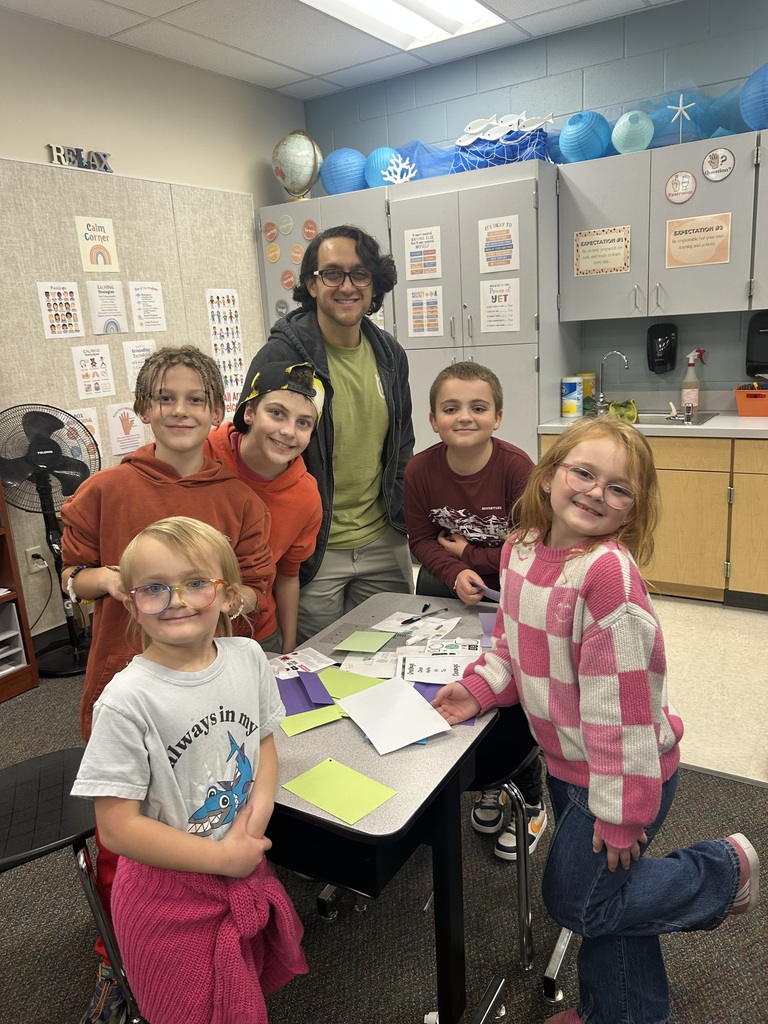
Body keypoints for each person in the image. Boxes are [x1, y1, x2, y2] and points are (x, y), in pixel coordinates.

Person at [432, 416, 759, 1024]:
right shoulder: (521, 547)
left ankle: (721, 871)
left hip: (622, 777)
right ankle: (627, 1014)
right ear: (551, 473)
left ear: (633, 512)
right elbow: (510, 644)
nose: (594, 492)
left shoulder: (607, 579)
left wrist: (620, 814)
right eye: (583, 472)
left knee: (579, 901)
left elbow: (624, 719)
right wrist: (478, 688)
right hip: (571, 768)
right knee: (614, 901)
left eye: (619, 488)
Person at [61, 344, 276, 1024]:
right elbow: (74, 576)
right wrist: (120, 584)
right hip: (127, 673)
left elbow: (255, 592)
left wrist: (218, 594)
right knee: (130, 814)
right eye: (165, 398)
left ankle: (210, 929)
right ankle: (119, 954)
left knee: (205, 800)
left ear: (217, 411)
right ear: (143, 410)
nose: (179, 411)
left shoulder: (238, 496)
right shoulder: (108, 487)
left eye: (194, 399)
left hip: (210, 682)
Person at [72, 517, 307, 1024]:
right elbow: (116, 827)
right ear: (133, 603)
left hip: (237, 857)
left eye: (196, 583)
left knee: (238, 991)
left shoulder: (247, 658)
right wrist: (223, 857)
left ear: (227, 596)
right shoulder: (127, 700)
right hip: (165, 896)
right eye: (155, 588)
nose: (176, 600)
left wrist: (255, 818)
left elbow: (263, 743)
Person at [238, 224, 414, 644]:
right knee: (319, 667)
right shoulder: (282, 356)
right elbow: (247, 443)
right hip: (314, 548)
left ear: (375, 285)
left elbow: (402, 442)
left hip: (382, 538)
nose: (347, 286)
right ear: (311, 286)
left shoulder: (389, 353)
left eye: (360, 274)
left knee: (392, 655)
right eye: (331, 274)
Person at [404, 361, 545, 861]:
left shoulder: (516, 467)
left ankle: (528, 791)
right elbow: (420, 537)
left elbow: (531, 542)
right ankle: (484, 780)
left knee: (513, 681)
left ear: (499, 416)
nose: (465, 417)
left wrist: (472, 558)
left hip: (509, 586)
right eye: (451, 408)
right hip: (448, 585)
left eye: (478, 407)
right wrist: (452, 569)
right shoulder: (420, 470)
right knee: (452, 676)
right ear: (433, 419)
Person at [206, 360, 323, 654]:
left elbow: (288, 574)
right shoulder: (202, 455)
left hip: (256, 630)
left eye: (303, 423)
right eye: (276, 413)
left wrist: (288, 647)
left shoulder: (306, 495)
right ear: (249, 412)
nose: (288, 431)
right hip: (186, 627)